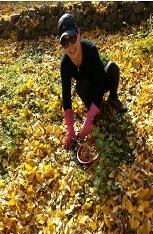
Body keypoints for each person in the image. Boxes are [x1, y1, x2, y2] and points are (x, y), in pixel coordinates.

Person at [58, 13, 128, 150]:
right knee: (80, 86)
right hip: (87, 87)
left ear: (78, 34)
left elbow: (100, 84)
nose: (70, 47)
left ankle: (113, 98)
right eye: (65, 42)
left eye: (72, 38)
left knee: (112, 67)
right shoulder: (65, 64)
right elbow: (66, 95)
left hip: (102, 80)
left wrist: (88, 119)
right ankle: (93, 108)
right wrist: (70, 128)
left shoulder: (90, 49)